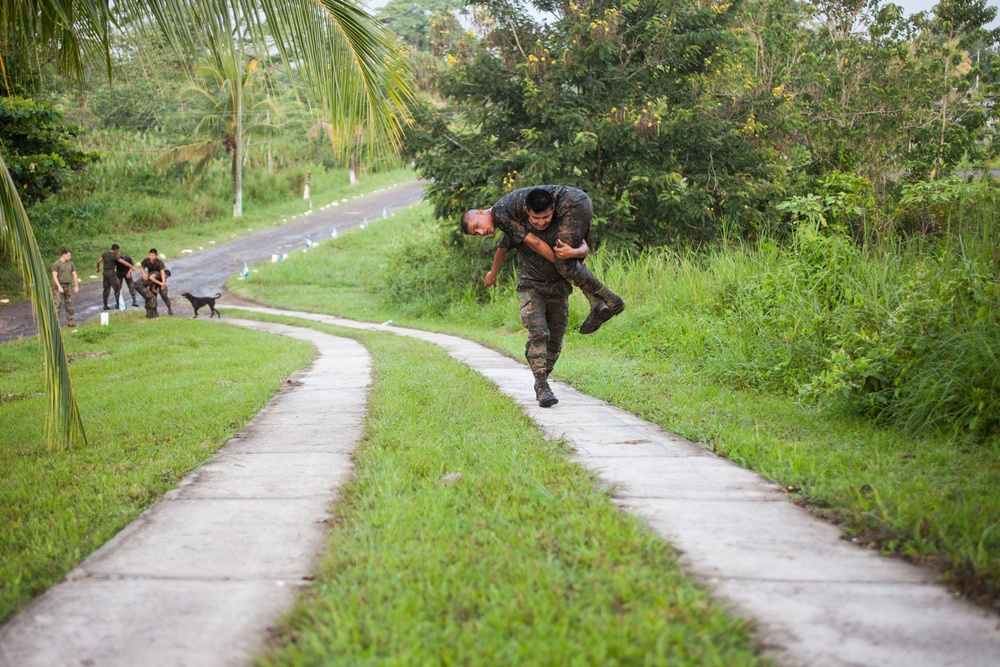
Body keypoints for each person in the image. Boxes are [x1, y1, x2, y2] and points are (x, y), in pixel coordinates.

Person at [462, 186, 625, 334]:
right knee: (566, 261)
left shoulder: (499, 213)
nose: (482, 232)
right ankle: (596, 302)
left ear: (481, 212)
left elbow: (535, 242)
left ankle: (612, 300)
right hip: (579, 201)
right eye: (476, 233)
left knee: (563, 260)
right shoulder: (505, 213)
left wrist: (563, 262)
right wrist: (493, 272)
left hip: (572, 205)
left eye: (477, 226)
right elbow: (502, 248)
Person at [486, 216, 590, 407]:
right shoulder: (518, 226)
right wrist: (493, 273)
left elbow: (584, 247)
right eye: (536, 218)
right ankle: (542, 387)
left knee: (556, 339)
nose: (541, 222)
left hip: (559, 290)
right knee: (539, 332)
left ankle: (541, 379)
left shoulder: (563, 224)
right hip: (530, 288)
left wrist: (574, 252)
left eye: (545, 217)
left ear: (553, 210)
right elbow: (502, 250)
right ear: (527, 211)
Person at [96, 243, 136, 310]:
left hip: (105, 273)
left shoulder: (105, 254)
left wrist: (98, 268)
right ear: (116, 250)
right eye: (118, 250)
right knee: (117, 288)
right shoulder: (114, 255)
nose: (118, 252)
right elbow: (123, 262)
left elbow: (98, 261)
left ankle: (105, 305)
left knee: (106, 289)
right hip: (111, 273)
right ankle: (118, 304)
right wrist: (131, 266)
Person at [50, 248, 79, 327]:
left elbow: (74, 274)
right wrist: (59, 287)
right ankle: (55, 324)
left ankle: (70, 322)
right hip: (59, 286)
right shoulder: (56, 264)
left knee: (69, 304)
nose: (70, 257)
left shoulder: (71, 264)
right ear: (64, 254)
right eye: (69, 255)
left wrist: (76, 285)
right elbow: (54, 276)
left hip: (68, 285)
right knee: (57, 304)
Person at [141, 249, 172, 316]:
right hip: (153, 280)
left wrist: (163, 283)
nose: (151, 257)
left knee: (164, 296)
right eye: (150, 255)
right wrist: (143, 273)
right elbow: (142, 267)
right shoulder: (146, 260)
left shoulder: (159, 262)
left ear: (156, 256)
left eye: (153, 256)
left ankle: (169, 309)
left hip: (160, 279)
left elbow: (162, 272)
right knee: (152, 296)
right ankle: (155, 311)